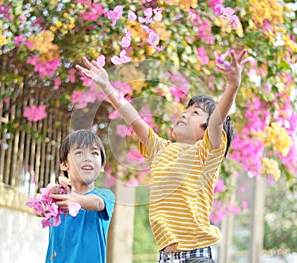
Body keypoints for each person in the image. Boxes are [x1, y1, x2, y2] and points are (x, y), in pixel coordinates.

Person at [76, 49, 250, 262]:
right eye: (185, 111)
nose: (185, 114)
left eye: (195, 113)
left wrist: (232, 86)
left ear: (205, 129)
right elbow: (132, 116)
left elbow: (216, 122)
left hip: (196, 255)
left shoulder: (205, 153)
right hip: (165, 257)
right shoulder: (159, 149)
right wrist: (106, 85)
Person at [46, 129, 115, 263]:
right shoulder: (57, 195)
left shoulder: (105, 196)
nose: (88, 158)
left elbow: (97, 203)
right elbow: (39, 208)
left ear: (101, 166)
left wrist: (74, 200)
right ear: (64, 164)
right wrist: (43, 206)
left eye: (94, 153)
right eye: (79, 152)